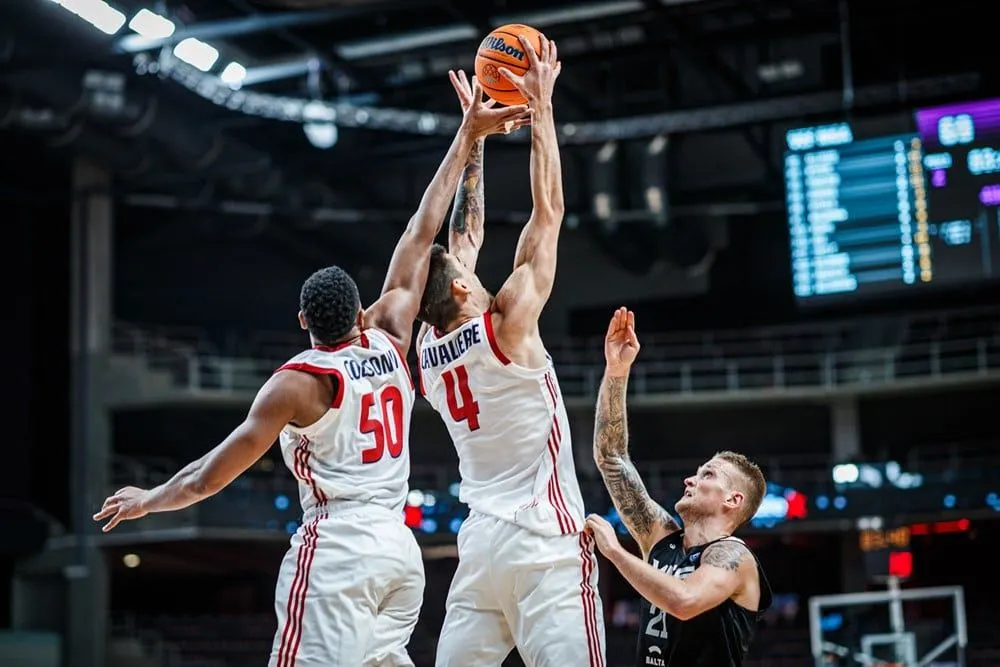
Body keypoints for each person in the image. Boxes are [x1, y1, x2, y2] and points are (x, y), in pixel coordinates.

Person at [92, 81, 532, 667]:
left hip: (339, 551)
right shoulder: (390, 333)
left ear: (303, 320)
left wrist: (148, 500)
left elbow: (205, 480)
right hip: (400, 554)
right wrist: (467, 135)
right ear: (359, 312)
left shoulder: (295, 384)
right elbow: (421, 229)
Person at [416, 38, 606, 667]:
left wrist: (474, 134)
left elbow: (461, 236)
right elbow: (548, 212)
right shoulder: (509, 326)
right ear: (461, 288)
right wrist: (540, 105)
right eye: (464, 272)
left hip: (480, 550)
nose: (469, 265)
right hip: (544, 544)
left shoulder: (428, 347)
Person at [585, 307, 773, 667]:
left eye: (708, 476)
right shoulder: (662, 539)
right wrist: (617, 370)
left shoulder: (733, 557)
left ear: (733, 500)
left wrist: (615, 552)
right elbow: (611, 457)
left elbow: (685, 602)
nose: (691, 479)